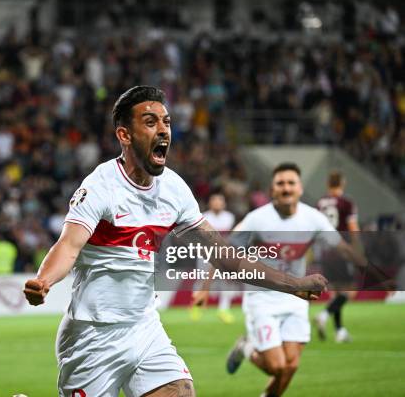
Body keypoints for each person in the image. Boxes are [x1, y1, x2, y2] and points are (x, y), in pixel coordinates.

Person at [23, 86, 327, 397]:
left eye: (166, 122)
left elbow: (226, 257)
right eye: (151, 122)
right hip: (93, 336)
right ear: (125, 135)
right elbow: (68, 246)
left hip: (144, 328)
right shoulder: (100, 186)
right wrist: (43, 280)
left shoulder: (174, 189)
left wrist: (292, 283)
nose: (163, 130)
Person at [224, 163, 365, 397]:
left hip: (296, 297)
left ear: (300, 188)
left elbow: (341, 246)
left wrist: (367, 268)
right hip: (262, 298)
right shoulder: (257, 219)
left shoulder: (314, 218)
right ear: (272, 189)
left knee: (290, 366)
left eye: (291, 183)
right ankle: (246, 347)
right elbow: (227, 252)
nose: (286, 188)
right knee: (276, 366)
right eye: (281, 183)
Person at [314, 171, 360, 343]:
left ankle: (340, 331)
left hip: (325, 251)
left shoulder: (319, 203)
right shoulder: (347, 203)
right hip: (342, 249)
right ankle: (324, 315)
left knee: (337, 292)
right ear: (342, 183)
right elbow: (353, 227)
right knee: (351, 291)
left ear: (328, 183)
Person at [190, 192, 238, 323]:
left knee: (226, 282)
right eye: (214, 200)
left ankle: (223, 310)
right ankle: (197, 307)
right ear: (210, 203)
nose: (217, 203)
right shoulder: (203, 217)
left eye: (220, 200)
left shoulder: (229, 217)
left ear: (224, 203)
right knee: (202, 281)